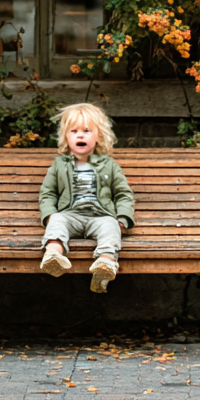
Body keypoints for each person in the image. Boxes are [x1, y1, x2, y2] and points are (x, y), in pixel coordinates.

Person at [38, 102, 136, 293]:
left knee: (110, 226)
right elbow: (48, 193)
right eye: (74, 131)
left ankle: (105, 263)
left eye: (87, 131)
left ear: (99, 136)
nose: (80, 135)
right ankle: (53, 255)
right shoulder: (59, 165)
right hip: (70, 215)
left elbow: (123, 194)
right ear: (66, 137)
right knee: (57, 221)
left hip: (100, 216)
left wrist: (122, 219)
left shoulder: (110, 165)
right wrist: (49, 215)